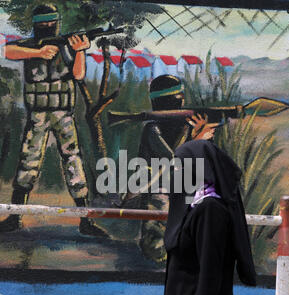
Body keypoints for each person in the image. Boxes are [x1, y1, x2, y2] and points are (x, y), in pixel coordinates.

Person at [0, 4, 109, 237]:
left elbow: (78, 74)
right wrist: (38, 53)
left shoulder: (68, 46)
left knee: (73, 162)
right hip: (38, 112)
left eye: (51, 22)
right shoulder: (31, 46)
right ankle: (15, 217)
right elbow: (7, 51)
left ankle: (84, 220)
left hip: (63, 113)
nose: (48, 26)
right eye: (44, 23)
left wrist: (80, 50)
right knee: (28, 163)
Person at [157, 139, 257, 295]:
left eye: (180, 167)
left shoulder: (210, 210)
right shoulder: (194, 208)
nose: (176, 173)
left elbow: (211, 272)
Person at [121, 74, 215, 263]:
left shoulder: (188, 127)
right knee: (156, 249)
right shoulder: (152, 130)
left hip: (188, 188)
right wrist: (196, 140)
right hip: (160, 190)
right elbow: (171, 161)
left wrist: (204, 138)